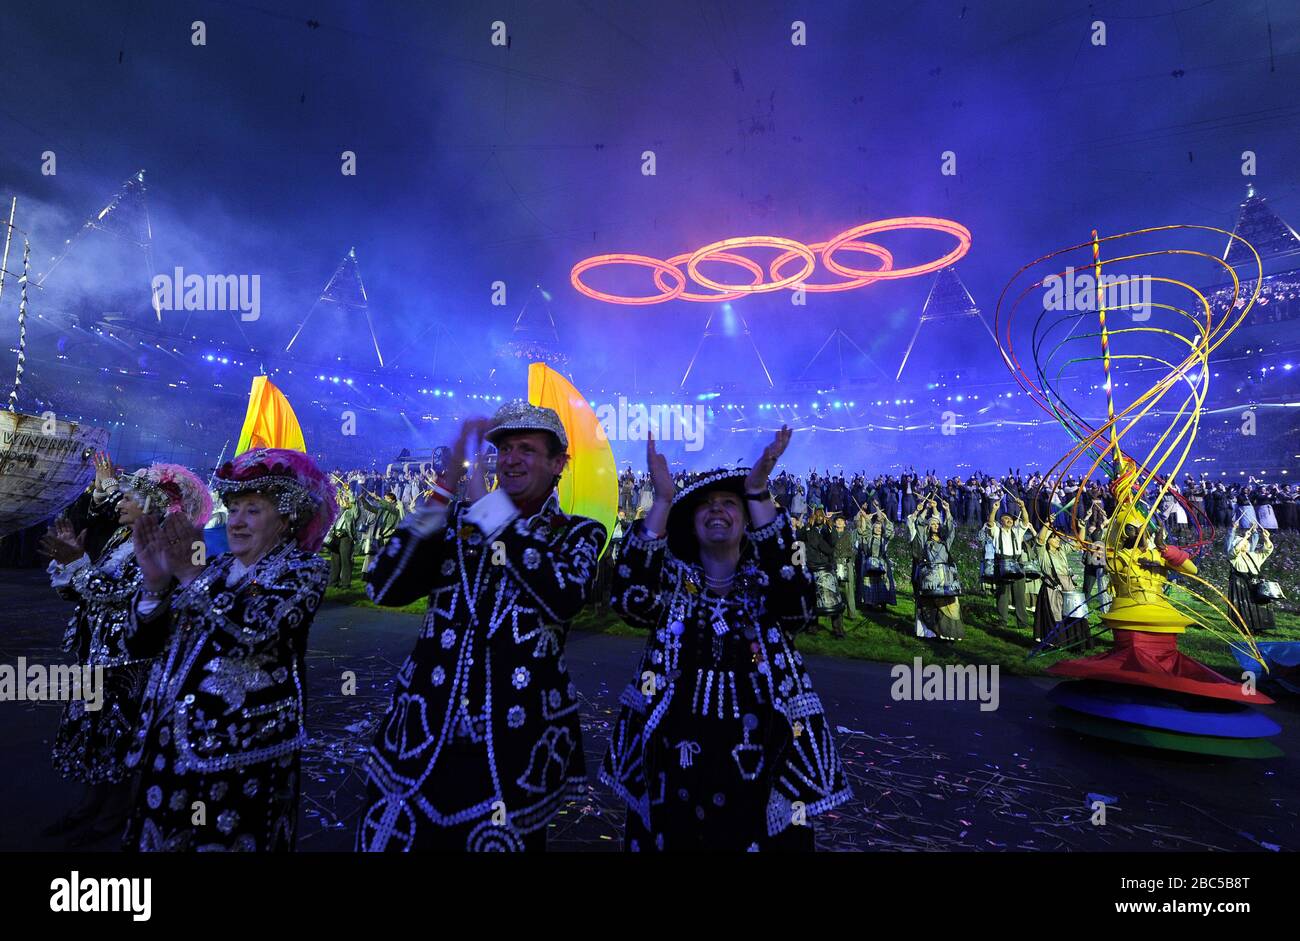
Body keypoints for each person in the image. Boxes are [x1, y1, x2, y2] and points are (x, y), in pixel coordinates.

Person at [356, 403, 606, 852]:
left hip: (513, 747)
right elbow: (382, 585)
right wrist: (444, 486)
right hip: (423, 738)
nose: (510, 458)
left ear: (557, 464)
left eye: (526, 449)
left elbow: (564, 596)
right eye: (504, 448)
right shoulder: (455, 523)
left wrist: (488, 511)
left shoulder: (579, 534)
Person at [601, 427, 851, 851]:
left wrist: (757, 494)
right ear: (692, 525)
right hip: (675, 765)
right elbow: (628, 598)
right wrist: (662, 501)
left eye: (729, 504)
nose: (717, 511)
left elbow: (802, 604)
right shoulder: (674, 586)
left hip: (764, 761)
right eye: (706, 506)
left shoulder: (766, 588)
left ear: (746, 520)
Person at [122, 448, 336, 851]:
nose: (236, 522)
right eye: (233, 508)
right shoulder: (215, 568)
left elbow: (255, 631)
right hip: (168, 750)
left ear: (286, 519)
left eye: (252, 511)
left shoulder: (304, 571)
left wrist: (189, 576)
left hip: (243, 757)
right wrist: (153, 584)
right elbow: (140, 644)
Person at [38, 457, 211, 845]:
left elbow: (117, 595)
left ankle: (113, 816)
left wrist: (78, 565)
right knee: (92, 732)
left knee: (120, 735)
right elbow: (83, 594)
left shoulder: (160, 544)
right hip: (97, 654)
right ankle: (90, 806)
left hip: (132, 662)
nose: (119, 503)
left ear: (153, 506)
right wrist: (68, 563)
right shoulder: (120, 541)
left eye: (128, 497)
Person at [909, 499, 963, 640]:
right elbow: (919, 523)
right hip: (930, 577)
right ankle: (930, 632)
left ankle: (949, 633)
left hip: (946, 577)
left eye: (937, 523)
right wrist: (926, 509)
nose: (935, 525)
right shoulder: (924, 542)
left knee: (948, 604)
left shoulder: (946, 542)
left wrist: (947, 510)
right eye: (932, 523)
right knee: (929, 604)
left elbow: (951, 528)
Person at [1033, 522, 1092, 649]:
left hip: (1067, 586)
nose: (1058, 539)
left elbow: (1078, 544)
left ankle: (1076, 642)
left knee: (1074, 613)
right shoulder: (1042, 552)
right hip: (1053, 588)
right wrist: (1047, 525)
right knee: (1057, 615)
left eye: (1058, 537)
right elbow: (1040, 539)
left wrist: (1082, 528)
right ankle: (1057, 642)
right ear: (1049, 541)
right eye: (1054, 537)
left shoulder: (1062, 550)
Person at [985, 497, 1030, 629]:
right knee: (1002, 594)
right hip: (1002, 561)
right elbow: (991, 522)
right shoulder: (996, 531)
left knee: (1019, 595)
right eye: (1006, 518)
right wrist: (994, 510)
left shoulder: (1017, 532)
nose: (1009, 520)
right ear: (1001, 521)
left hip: (1016, 562)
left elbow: (1026, 521)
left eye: (1010, 519)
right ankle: (1002, 621)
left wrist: (1023, 507)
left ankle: (1022, 622)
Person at [803, 507, 845, 637]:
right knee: (813, 599)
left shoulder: (828, 529)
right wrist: (808, 526)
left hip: (826, 565)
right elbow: (802, 538)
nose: (820, 518)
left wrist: (831, 527)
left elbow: (833, 542)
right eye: (817, 515)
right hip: (813, 566)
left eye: (821, 515)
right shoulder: (809, 528)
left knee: (833, 599)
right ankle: (812, 627)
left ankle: (838, 629)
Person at [1228, 523, 1276, 634]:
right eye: (1243, 543)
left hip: (1255, 582)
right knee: (1245, 606)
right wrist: (1245, 537)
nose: (1246, 544)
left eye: (1246, 543)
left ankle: (1260, 628)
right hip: (1241, 583)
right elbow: (1234, 551)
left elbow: (1267, 550)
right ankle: (1246, 627)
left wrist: (1266, 538)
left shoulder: (1253, 555)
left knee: (1259, 606)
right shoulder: (1234, 557)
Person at [855, 506, 896, 610]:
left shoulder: (885, 539)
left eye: (879, 528)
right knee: (870, 583)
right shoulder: (869, 538)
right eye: (876, 528)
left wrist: (886, 519)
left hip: (882, 563)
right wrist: (866, 519)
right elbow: (866, 529)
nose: (878, 529)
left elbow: (890, 531)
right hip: (870, 563)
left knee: (882, 584)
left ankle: (882, 605)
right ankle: (869, 604)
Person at [325, 488, 358, 589]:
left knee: (346, 561)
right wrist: (339, 493)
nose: (345, 501)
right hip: (336, 537)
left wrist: (349, 493)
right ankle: (333, 582)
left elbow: (354, 501)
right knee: (335, 560)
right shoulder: (340, 511)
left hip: (346, 537)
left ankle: (345, 584)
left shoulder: (353, 511)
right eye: (345, 499)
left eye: (346, 500)